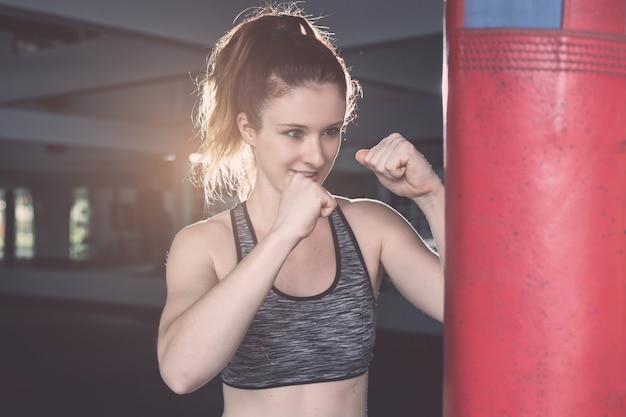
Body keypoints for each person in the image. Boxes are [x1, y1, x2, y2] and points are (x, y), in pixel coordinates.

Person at [157, 5, 445, 417]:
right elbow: (181, 372)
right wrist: (282, 235)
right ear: (248, 128)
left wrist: (431, 194)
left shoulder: (369, 226)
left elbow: (477, 316)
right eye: (294, 133)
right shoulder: (205, 244)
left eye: (330, 132)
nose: (316, 155)